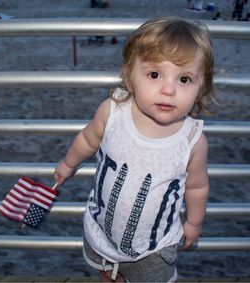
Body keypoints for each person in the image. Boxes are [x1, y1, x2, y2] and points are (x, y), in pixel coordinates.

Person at [54, 16, 213, 282]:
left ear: (201, 87)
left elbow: (197, 187)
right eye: (154, 74)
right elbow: (87, 139)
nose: (168, 89)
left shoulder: (192, 140)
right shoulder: (113, 112)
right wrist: (69, 164)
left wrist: (194, 223)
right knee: (107, 275)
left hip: (154, 249)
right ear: (130, 76)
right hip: (101, 233)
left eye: (184, 79)